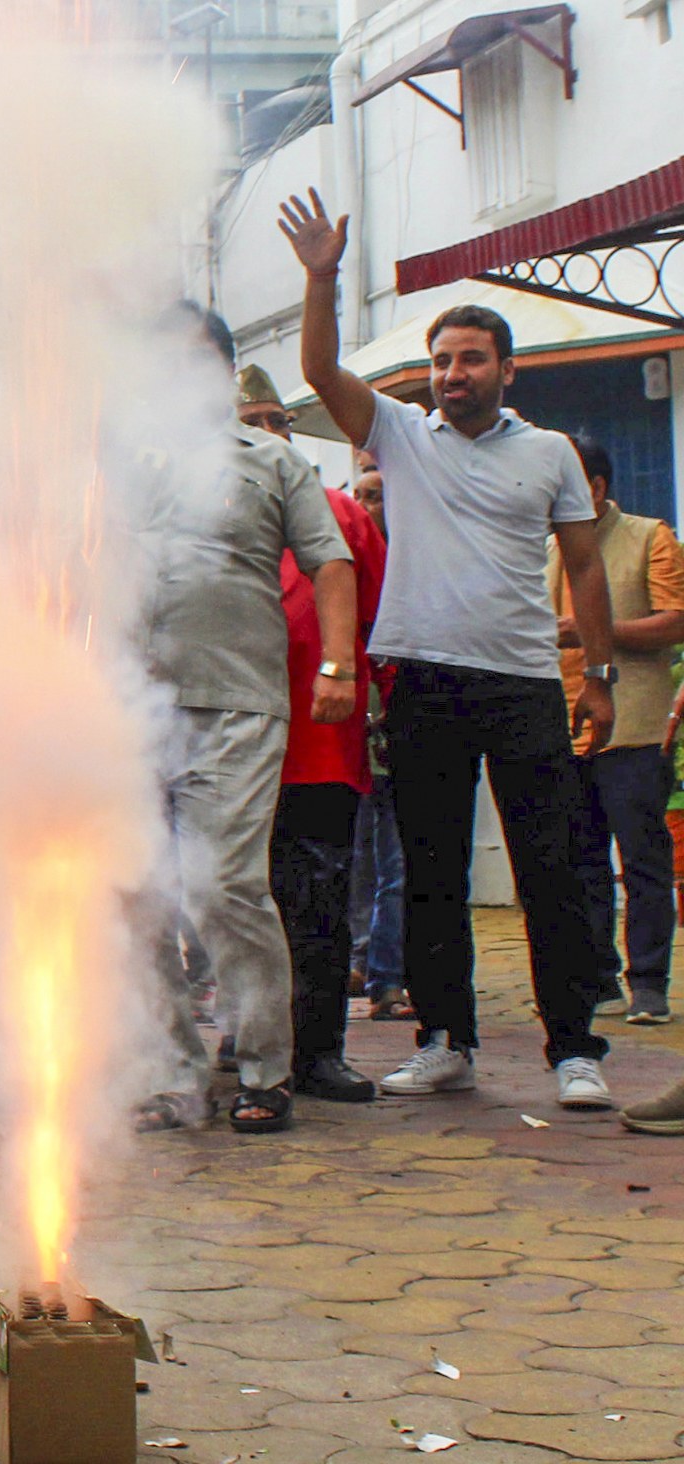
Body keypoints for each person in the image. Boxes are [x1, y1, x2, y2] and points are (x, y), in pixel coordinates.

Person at [283, 188, 616, 1111]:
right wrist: (322, 279)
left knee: (549, 867)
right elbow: (318, 370)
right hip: (423, 679)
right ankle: (443, 1039)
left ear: (507, 369)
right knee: (432, 871)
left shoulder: (549, 453)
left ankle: (575, 1049)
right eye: (440, 361)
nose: (451, 373)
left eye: (470, 359)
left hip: (520, 683)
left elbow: (584, 570)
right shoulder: (396, 432)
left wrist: (597, 676)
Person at [126, 321, 359, 1135]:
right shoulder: (122, 465)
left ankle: (265, 1069)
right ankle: (172, 1076)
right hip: (128, 710)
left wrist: (339, 666)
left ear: (225, 372)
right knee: (132, 893)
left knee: (224, 886)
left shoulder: (272, 461)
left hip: (236, 705)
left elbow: (331, 562)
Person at [237, 363, 384, 1105]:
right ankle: (250, 1042)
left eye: (277, 421)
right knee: (238, 901)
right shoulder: (211, 513)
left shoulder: (340, 514)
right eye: (252, 422)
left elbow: (380, 618)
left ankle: (321, 1049)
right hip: (231, 745)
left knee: (320, 901)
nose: (268, 434)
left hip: (321, 744)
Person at [548, 434, 684, 1025]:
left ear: (595, 489)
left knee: (643, 859)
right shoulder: (540, 547)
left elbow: (676, 621)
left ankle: (649, 983)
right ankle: (597, 978)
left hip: (635, 724)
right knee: (579, 860)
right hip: (559, 723)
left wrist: (590, 630)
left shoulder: (649, 535)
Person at [344, 449, 410, 1021]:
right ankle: (361, 960)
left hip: (405, 723)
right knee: (359, 856)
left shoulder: (412, 562)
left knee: (399, 858)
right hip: (355, 728)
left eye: (378, 496)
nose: (367, 506)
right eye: (360, 495)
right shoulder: (346, 561)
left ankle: (388, 975)